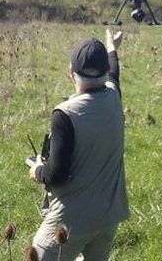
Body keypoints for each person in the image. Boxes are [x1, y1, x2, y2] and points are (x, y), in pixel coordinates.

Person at [27, 29, 129, 260]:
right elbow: (115, 72)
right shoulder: (114, 96)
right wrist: (112, 47)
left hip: (71, 221)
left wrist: (37, 170)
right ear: (104, 72)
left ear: (71, 74)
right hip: (108, 217)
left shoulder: (65, 114)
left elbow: (57, 173)